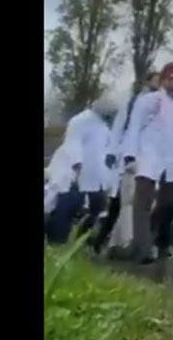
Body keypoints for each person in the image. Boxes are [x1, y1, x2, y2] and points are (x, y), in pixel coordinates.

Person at [121, 62, 173, 264]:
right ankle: (143, 248)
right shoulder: (148, 101)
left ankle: (161, 243)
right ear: (163, 79)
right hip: (149, 155)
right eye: (170, 78)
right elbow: (134, 127)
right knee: (142, 202)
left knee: (168, 204)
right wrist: (130, 155)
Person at [95, 70, 158, 256]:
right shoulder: (133, 103)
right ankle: (105, 242)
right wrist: (112, 152)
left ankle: (123, 243)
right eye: (156, 80)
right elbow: (119, 128)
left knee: (137, 204)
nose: (159, 83)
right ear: (147, 82)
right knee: (121, 203)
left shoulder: (161, 103)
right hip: (130, 157)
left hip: (150, 157)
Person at [44, 97, 121, 244]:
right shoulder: (80, 120)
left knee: (96, 208)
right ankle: (56, 241)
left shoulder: (103, 126)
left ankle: (83, 241)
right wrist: (77, 165)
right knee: (67, 206)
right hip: (73, 173)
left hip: (95, 176)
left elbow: (105, 150)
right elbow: (73, 143)